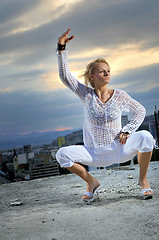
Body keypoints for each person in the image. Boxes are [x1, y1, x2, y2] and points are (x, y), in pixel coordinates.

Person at [56, 28, 156, 202]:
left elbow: (140, 110)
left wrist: (128, 130)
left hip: (120, 149)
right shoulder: (85, 94)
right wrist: (61, 48)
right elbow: (65, 77)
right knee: (62, 154)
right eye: (102, 71)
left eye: (108, 70)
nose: (107, 73)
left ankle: (143, 180)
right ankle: (91, 181)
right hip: (93, 153)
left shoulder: (119, 95)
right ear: (92, 75)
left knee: (146, 137)